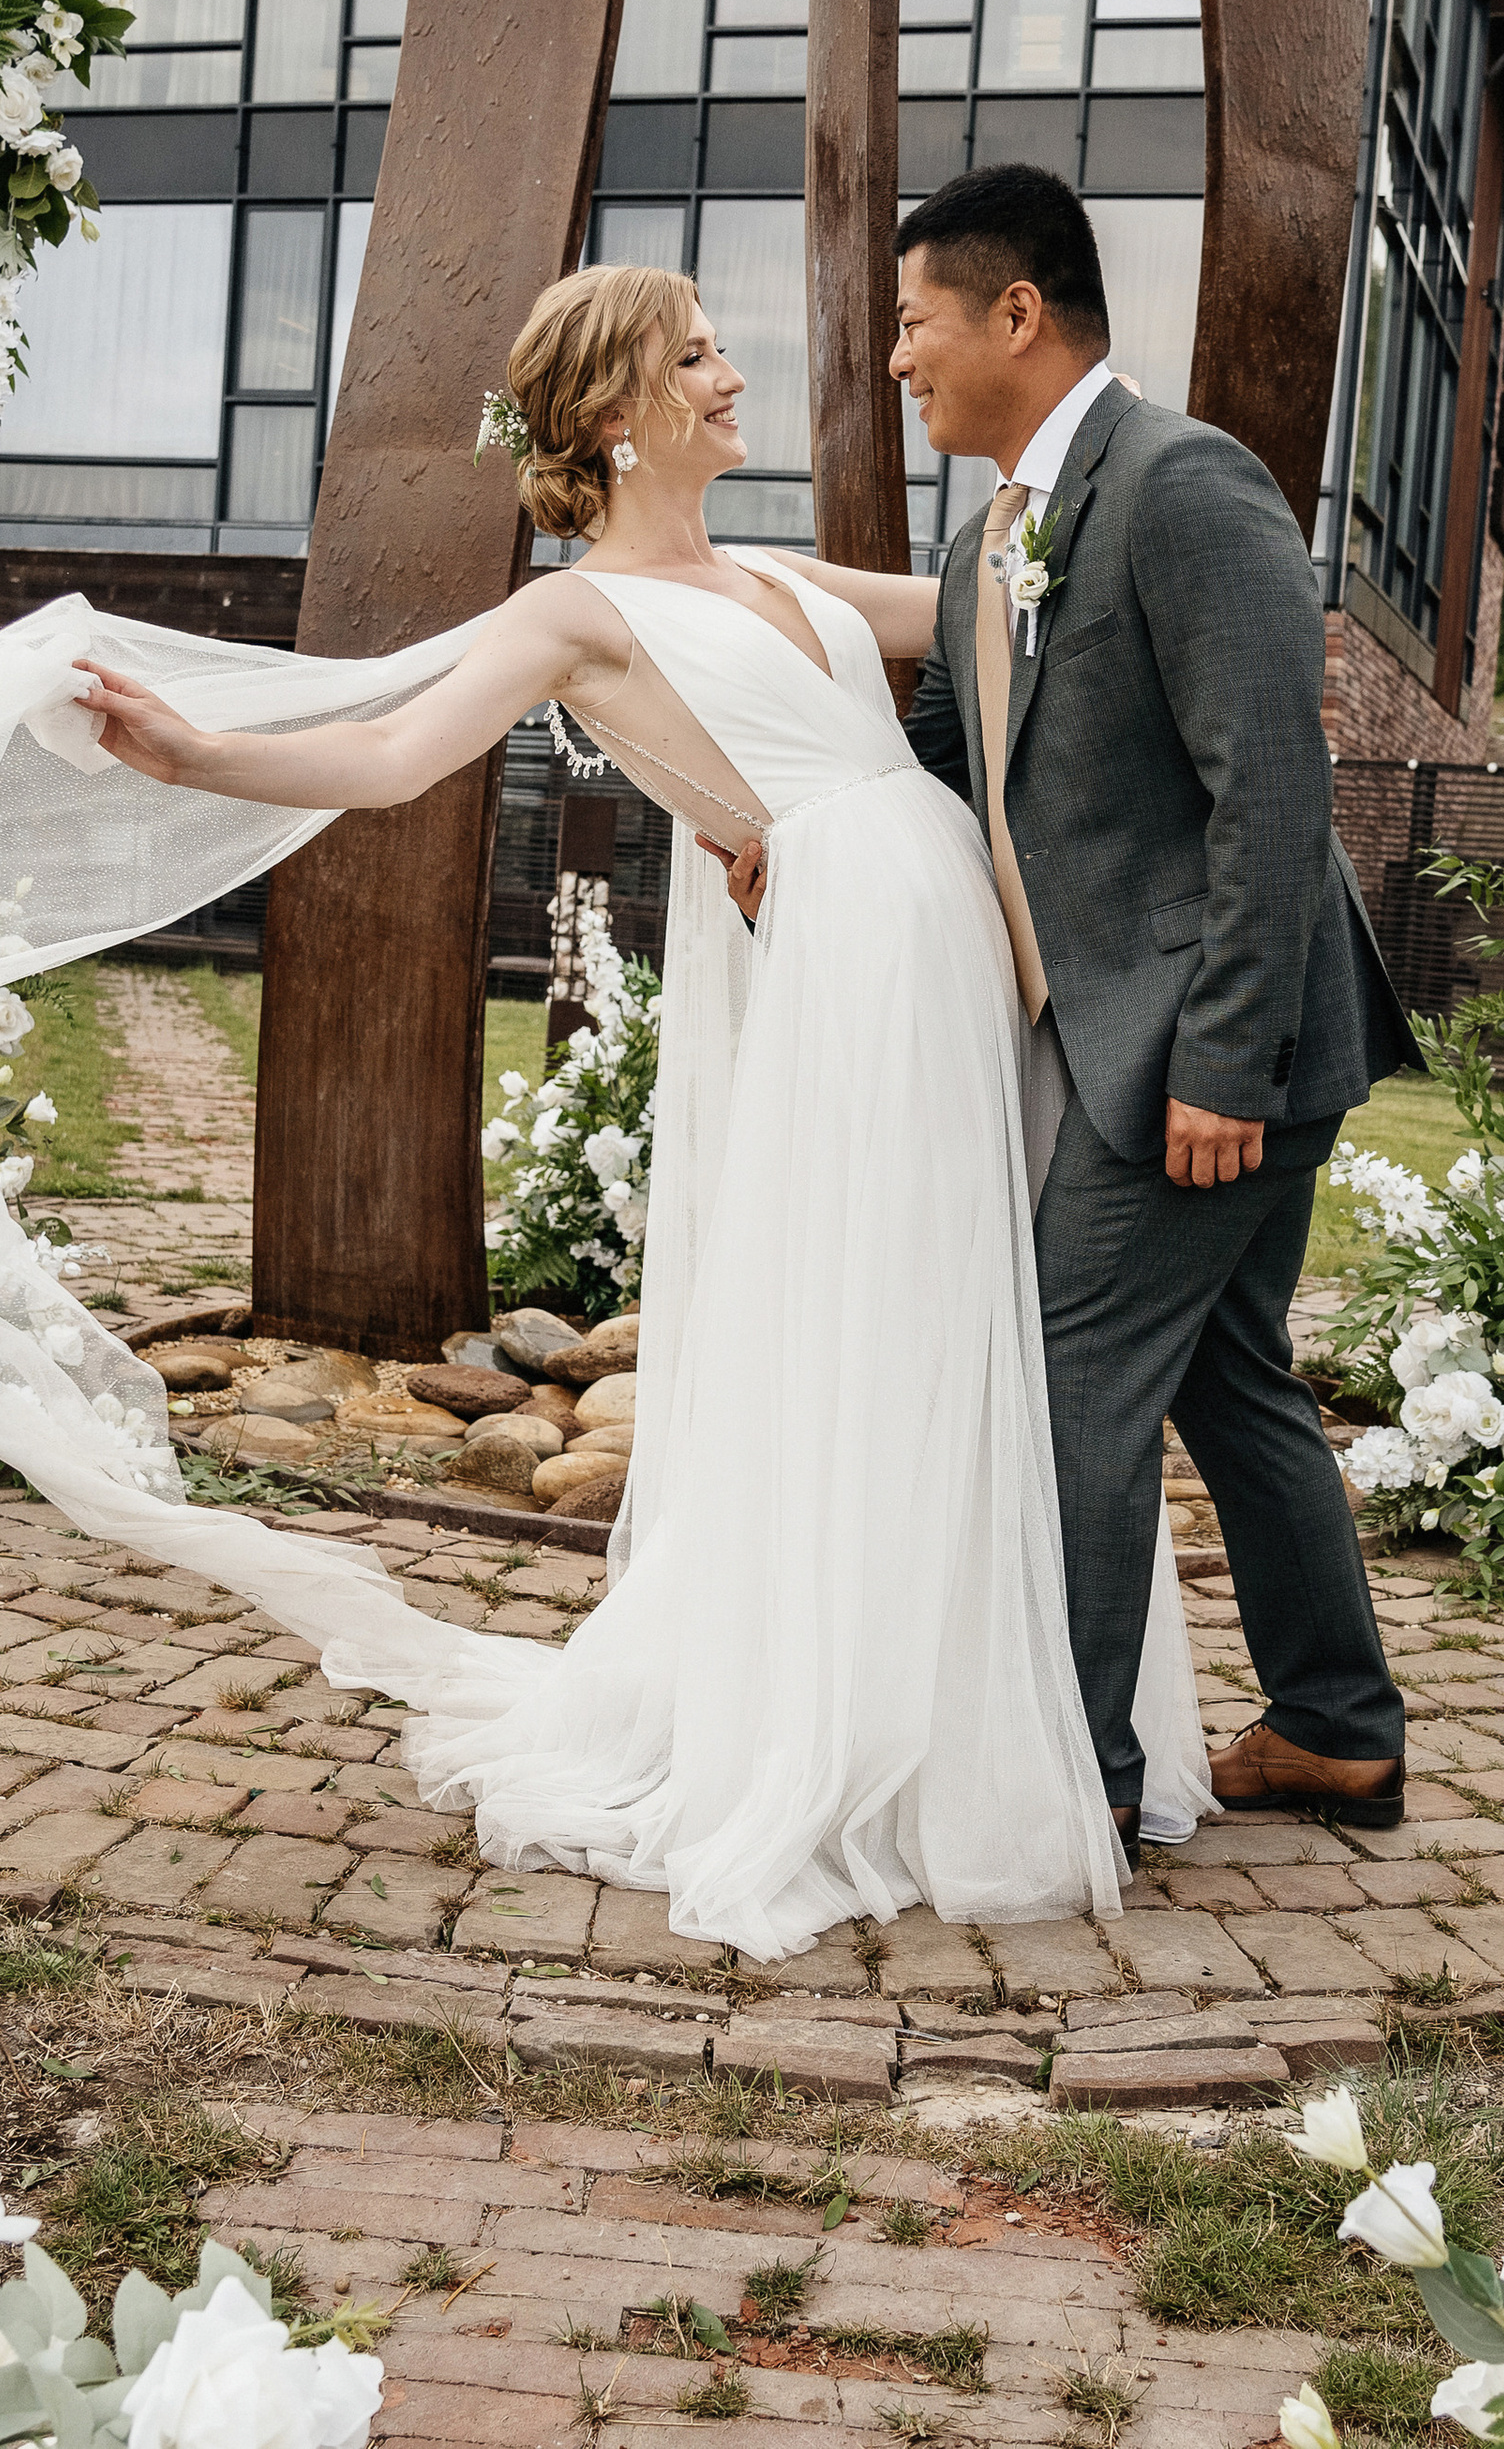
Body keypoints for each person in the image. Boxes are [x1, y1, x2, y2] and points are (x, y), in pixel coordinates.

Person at [62, 261, 1213, 1961]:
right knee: (874, 1322)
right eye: (697, 356)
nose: (734, 374)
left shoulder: (768, 570)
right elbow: (389, 750)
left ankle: (988, 1684)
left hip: (950, 945)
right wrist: (200, 757)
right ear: (617, 416)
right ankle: (863, 1721)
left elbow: (992, 602)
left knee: (978, 1322)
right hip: (849, 975)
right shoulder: (576, 612)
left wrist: (1130, 519)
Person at [885, 165, 1419, 1835]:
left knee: (1070, 1376)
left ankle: (1077, 1790)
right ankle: (1334, 1726)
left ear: (1018, 314)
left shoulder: (1188, 486)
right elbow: (939, 762)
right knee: (1228, 1375)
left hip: (1209, 1044)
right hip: (1153, 1035)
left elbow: (1275, 790)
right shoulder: (991, 532)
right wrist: (783, 829)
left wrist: (1223, 1066)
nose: (899, 361)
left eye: (916, 323)